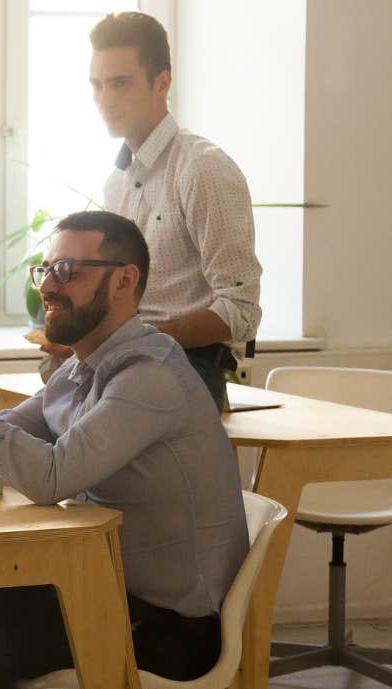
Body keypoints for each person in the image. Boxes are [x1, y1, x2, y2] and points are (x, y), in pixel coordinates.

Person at [0, 210, 248, 689]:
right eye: (45, 269)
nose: (49, 287)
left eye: (68, 269)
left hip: (172, 629)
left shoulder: (147, 376)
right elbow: (5, 439)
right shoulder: (83, 367)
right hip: (105, 589)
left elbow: (49, 475)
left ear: (125, 280)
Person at [43, 12, 263, 410]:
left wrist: (142, 338)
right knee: (31, 406)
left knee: (50, 441)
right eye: (97, 85)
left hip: (186, 367)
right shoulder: (117, 181)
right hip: (125, 363)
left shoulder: (203, 170)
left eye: (121, 83)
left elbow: (241, 310)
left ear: (162, 83)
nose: (105, 99)